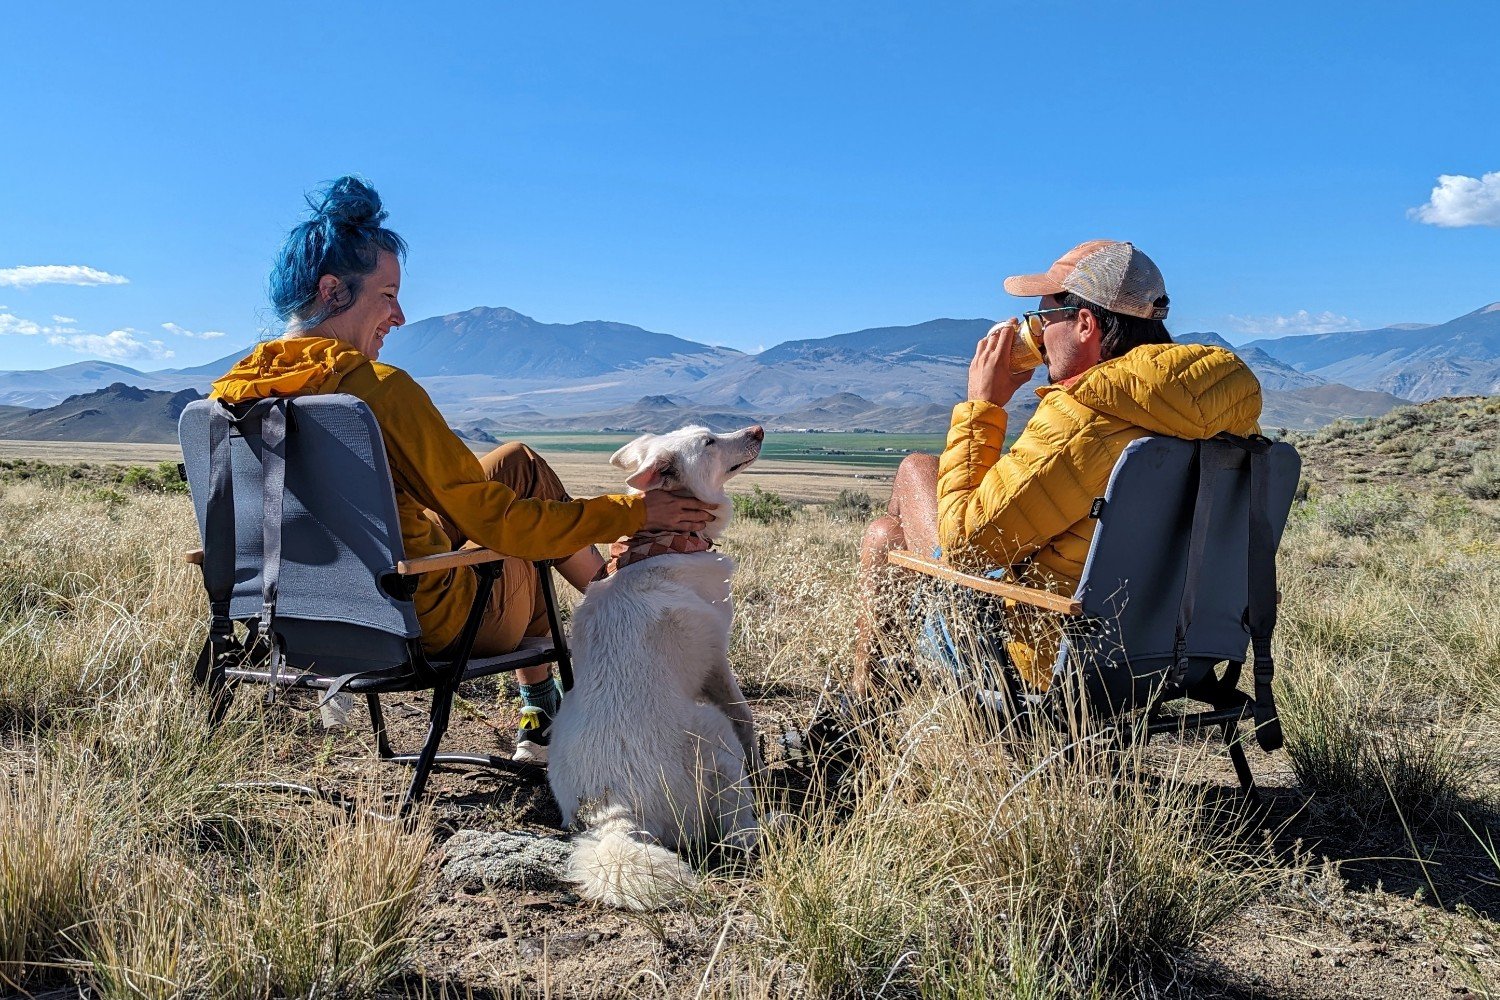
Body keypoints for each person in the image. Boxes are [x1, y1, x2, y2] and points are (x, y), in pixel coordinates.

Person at [210, 176, 716, 762]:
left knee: (516, 462)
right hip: (418, 622)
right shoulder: (374, 392)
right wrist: (633, 509)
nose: (399, 316)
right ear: (333, 291)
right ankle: (624, 639)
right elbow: (500, 523)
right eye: (388, 295)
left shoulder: (233, 397)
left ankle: (613, 621)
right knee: (526, 538)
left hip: (293, 619)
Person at [854, 240, 1263, 695]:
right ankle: (868, 706)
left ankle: (866, 709)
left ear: (1085, 324)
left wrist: (982, 406)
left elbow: (964, 548)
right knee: (887, 533)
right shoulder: (1222, 407)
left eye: (1041, 320)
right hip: (1184, 652)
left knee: (908, 482)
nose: (1035, 335)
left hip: (1055, 657)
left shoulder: (1084, 418)